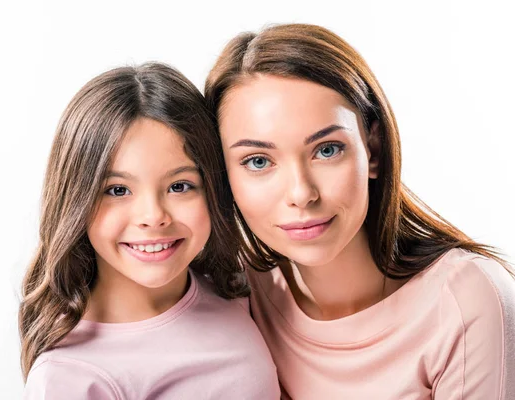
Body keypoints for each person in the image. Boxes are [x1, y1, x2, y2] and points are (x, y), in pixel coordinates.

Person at [205, 23, 515, 399]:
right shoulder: (236, 293)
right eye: (257, 161)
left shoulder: (465, 302)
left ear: (373, 150)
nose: (301, 194)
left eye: (327, 150)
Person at [19, 63, 280, 399]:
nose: (153, 216)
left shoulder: (234, 289)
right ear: (76, 202)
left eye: (180, 185)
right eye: (117, 190)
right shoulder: (69, 378)